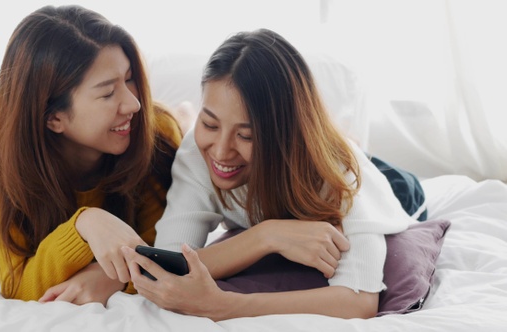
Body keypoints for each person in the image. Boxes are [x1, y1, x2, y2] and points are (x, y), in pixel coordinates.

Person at [121, 28, 416, 320]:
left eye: (246, 136)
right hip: (277, 198)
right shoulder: (199, 153)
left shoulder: (340, 175)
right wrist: (266, 236)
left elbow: (358, 302)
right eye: (210, 124)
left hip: (392, 185)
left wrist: (223, 305)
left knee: (369, 168)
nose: (221, 151)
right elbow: (170, 264)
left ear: (286, 135)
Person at [0, 4, 183, 305]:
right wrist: (85, 224)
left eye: (129, 78)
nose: (134, 104)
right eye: (108, 93)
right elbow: (17, 285)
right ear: (52, 116)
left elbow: (165, 242)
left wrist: (111, 275)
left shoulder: (156, 129)